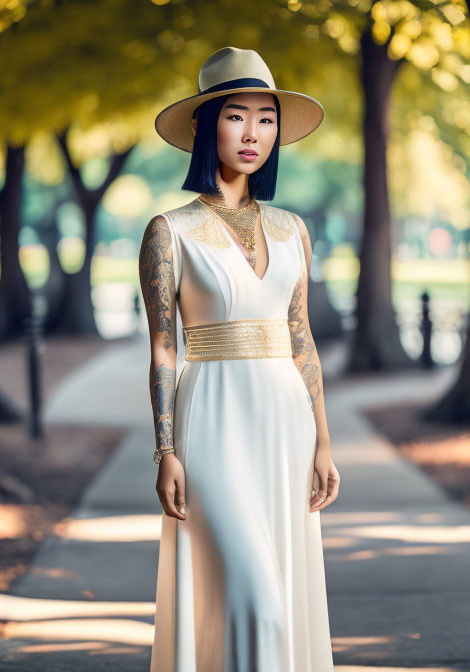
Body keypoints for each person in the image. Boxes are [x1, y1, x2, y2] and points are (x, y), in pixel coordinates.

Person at [140, 46, 340, 671]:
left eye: (267, 118)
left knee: (282, 593)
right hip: (213, 427)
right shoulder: (167, 231)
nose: (253, 133)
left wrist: (324, 443)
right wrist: (166, 449)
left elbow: (301, 338)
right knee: (257, 604)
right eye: (236, 115)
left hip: (286, 425)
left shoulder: (291, 229)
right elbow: (163, 347)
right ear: (204, 127)